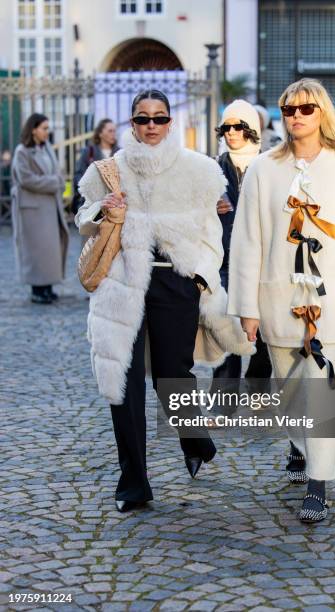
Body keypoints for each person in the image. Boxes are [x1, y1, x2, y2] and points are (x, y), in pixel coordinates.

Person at [75, 89, 253, 513]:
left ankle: (194, 437)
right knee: (124, 380)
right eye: (142, 118)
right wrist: (104, 210)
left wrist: (199, 276)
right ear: (131, 124)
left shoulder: (198, 170)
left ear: (170, 122)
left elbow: (212, 235)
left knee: (173, 375)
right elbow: (83, 218)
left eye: (158, 118)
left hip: (176, 283)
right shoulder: (110, 169)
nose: (151, 125)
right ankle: (133, 482)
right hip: (122, 283)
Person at [228, 78, 335, 523]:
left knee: (321, 387)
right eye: (288, 109)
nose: (296, 116)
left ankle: (319, 482)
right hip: (277, 296)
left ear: (321, 112)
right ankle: (302, 446)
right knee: (290, 393)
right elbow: (247, 241)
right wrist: (246, 307)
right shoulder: (264, 169)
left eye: (305, 108)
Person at [211, 100, 271, 407]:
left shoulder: (270, 165)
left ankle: (259, 390)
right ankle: (223, 401)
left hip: (265, 261)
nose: (231, 133)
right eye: (226, 127)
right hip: (225, 260)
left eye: (238, 126)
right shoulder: (212, 169)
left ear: (252, 129)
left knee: (264, 336)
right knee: (226, 328)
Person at [11, 113, 69, 304]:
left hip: (49, 207)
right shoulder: (22, 151)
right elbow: (26, 179)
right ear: (33, 129)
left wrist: (56, 181)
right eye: (44, 128)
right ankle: (37, 289)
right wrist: (54, 182)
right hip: (31, 209)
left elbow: (57, 173)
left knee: (50, 250)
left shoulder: (48, 149)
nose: (47, 131)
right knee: (35, 251)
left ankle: (47, 286)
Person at [71, 118, 119, 215]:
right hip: (93, 206)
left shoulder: (120, 153)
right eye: (110, 131)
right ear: (100, 134)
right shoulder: (89, 152)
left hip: (116, 206)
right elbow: (78, 176)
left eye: (114, 131)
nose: (113, 134)